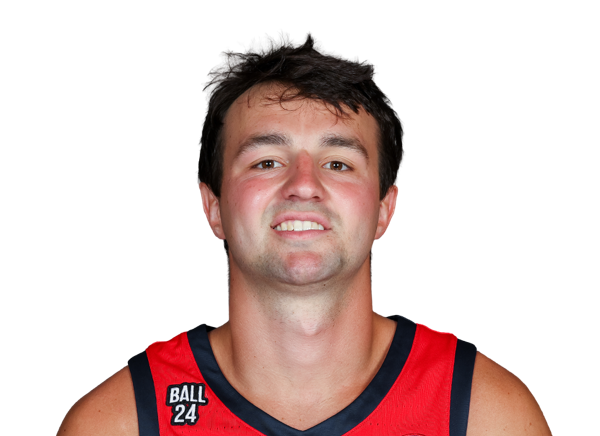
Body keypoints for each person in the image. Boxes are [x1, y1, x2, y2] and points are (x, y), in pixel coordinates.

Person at [57, 35, 551, 435]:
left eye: (338, 163)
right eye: (266, 162)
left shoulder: (487, 415)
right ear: (213, 208)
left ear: (385, 209)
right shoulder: (119, 423)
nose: (303, 185)